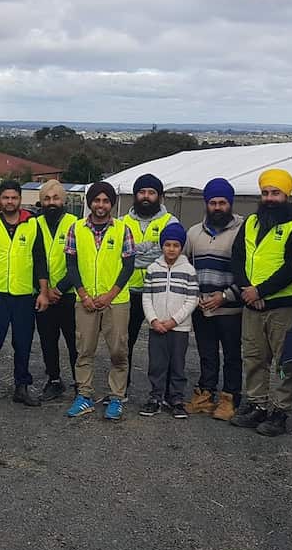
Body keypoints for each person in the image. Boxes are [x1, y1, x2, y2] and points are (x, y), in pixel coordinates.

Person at [230, 169, 292, 437]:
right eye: (265, 193)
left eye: (276, 193)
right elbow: (237, 257)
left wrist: (261, 291)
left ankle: (280, 410)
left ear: (288, 195)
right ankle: (257, 404)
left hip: (283, 304)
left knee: (285, 361)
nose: (270, 198)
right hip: (251, 303)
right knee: (253, 357)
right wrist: (246, 290)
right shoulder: (251, 222)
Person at [62, 181, 136, 420]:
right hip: (85, 301)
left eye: (105, 201)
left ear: (112, 204)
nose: (100, 205)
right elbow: (71, 264)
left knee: (118, 350)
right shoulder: (76, 228)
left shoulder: (122, 229)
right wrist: (83, 294)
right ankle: (84, 395)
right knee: (84, 349)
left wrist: (110, 295)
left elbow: (128, 266)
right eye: (96, 200)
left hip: (115, 301)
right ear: (90, 202)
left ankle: (117, 397)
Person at [0, 181, 48, 408]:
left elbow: (40, 261)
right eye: (6, 198)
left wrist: (43, 292)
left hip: (24, 294)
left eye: (14, 198)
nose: (10, 202)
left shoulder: (32, 224)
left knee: (23, 343)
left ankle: (22, 387)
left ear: (20, 198)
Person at [182, 178, 243, 421]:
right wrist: (193, 294)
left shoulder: (243, 230)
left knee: (231, 354)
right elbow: (184, 265)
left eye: (222, 203)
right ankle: (205, 394)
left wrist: (226, 296)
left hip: (230, 307)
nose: (217, 207)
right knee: (207, 353)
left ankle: (230, 398)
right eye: (213, 203)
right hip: (202, 307)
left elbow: (250, 270)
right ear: (206, 204)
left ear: (230, 203)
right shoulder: (194, 233)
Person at [122, 174, 178, 392]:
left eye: (151, 192)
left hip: (160, 292)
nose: (146, 197)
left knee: (163, 346)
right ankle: (121, 389)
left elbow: (170, 255)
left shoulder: (170, 222)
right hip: (129, 291)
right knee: (124, 344)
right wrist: (153, 251)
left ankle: (162, 392)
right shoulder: (121, 223)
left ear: (160, 196)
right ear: (135, 195)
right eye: (142, 192)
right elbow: (120, 257)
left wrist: (134, 255)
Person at [138, 223, 198, 418]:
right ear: (162, 246)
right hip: (157, 327)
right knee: (157, 363)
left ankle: (176, 398)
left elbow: (192, 299)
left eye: (176, 245)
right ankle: (156, 396)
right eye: (167, 245)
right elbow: (146, 297)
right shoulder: (153, 268)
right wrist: (153, 320)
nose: (171, 249)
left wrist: (174, 321)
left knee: (177, 363)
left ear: (181, 247)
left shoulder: (188, 270)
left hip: (179, 328)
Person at [34, 180, 79, 401]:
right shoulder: (35, 223)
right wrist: (44, 290)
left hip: (69, 293)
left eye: (56, 198)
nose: (52, 203)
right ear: (41, 202)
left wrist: (59, 288)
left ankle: (81, 381)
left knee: (74, 341)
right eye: (47, 199)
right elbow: (35, 259)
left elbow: (80, 261)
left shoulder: (76, 224)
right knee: (47, 340)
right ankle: (54, 380)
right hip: (42, 294)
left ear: (64, 200)